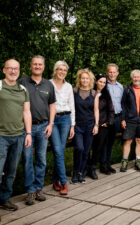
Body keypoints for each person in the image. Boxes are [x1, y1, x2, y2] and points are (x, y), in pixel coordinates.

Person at [0, 59, 32, 223]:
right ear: (4, 70)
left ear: (19, 70)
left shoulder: (23, 89)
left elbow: (26, 112)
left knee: (11, 171)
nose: (13, 71)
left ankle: (4, 198)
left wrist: (29, 133)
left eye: (16, 68)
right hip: (0, 136)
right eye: (10, 68)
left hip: (18, 136)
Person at [19, 55, 56, 205]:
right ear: (30, 66)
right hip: (26, 127)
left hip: (43, 126)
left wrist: (51, 124)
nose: (37, 66)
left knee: (41, 159)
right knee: (27, 159)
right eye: (35, 64)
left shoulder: (48, 85)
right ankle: (30, 190)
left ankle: (38, 188)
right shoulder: (22, 82)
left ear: (44, 67)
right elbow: (11, 99)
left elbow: (52, 105)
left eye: (40, 64)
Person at [49, 60, 75, 195]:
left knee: (60, 151)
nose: (62, 72)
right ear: (55, 71)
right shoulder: (48, 84)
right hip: (52, 120)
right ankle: (64, 182)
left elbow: (72, 105)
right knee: (58, 151)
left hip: (65, 119)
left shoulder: (69, 86)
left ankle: (55, 179)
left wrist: (72, 125)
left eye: (64, 70)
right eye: (60, 69)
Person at [120, 69, 140, 172]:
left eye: (138, 77)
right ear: (132, 78)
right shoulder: (127, 89)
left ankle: (138, 162)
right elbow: (123, 105)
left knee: (139, 141)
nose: (136, 79)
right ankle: (124, 162)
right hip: (130, 120)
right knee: (128, 141)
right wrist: (123, 119)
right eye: (134, 77)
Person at [72, 68, 99, 184]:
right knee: (79, 148)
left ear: (90, 80)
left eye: (87, 78)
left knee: (86, 151)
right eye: (82, 78)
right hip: (77, 125)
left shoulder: (94, 93)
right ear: (79, 79)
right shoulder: (74, 91)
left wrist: (96, 125)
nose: (84, 80)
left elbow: (96, 110)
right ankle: (75, 171)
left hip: (89, 125)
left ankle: (80, 173)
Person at [87, 73, 114, 179]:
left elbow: (111, 110)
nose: (102, 84)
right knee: (87, 147)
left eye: (104, 82)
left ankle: (93, 168)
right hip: (90, 123)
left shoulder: (106, 95)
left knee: (98, 148)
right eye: (100, 81)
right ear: (96, 82)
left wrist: (108, 122)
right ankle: (86, 167)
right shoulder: (90, 93)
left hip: (102, 125)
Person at [103, 63, 123, 174]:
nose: (112, 74)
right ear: (107, 73)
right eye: (110, 72)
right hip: (106, 118)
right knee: (104, 142)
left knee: (111, 141)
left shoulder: (120, 87)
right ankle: (103, 165)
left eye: (114, 72)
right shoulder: (103, 85)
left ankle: (108, 163)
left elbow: (122, 103)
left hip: (117, 117)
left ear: (117, 73)